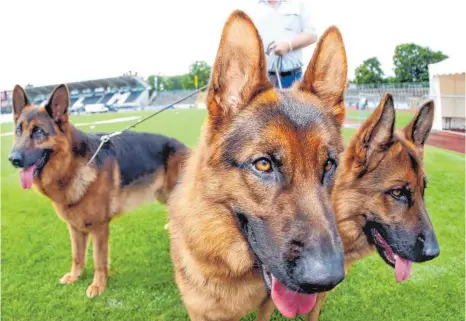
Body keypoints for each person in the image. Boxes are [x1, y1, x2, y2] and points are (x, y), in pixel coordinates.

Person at [246, 0, 318, 88]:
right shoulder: (251, 7)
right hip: (262, 79)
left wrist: (289, 45)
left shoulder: (298, 4)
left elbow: (312, 35)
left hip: (292, 78)